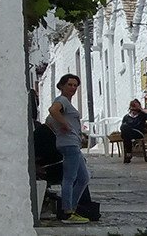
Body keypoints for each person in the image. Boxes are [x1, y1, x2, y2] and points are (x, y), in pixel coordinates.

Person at [46, 74, 91, 224]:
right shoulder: (62, 100)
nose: (72, 88)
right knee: (70, 178)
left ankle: (71, 207)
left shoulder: (66, 103)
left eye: (75, 85)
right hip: (69, 144)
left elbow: (49, 121)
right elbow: (53, 111)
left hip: (72, 142)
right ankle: (67, 212)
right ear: (62, 86)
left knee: (84, 177)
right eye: (70, 84)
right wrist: (64, 125)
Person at [120, 99, 147, 164]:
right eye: (133, 110)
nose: (134, 111)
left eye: (136, 110)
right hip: (128, 134)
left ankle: (129, 152)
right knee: (124, 128)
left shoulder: (141, 115)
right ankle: (129, 151)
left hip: (138, 132)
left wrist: (141, 109)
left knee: (125, 131)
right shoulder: (126, 117)